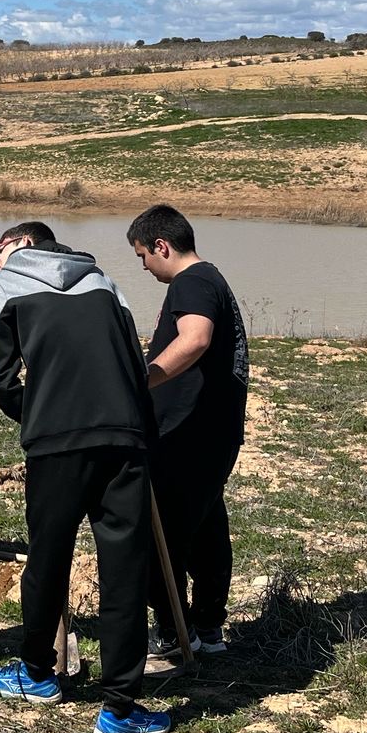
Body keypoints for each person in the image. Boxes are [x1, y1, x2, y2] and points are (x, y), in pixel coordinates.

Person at [0, 221, 170, 733]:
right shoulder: (102, 281)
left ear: (24, 245)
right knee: (124, 567)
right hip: (123, 436)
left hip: (55, 444)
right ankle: (120, 710)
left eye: (0, 249)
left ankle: (36, 674)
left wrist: (40, 412)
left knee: (48, 555)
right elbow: (134, 361)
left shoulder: (9, 282)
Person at [128, 203, 250, 658]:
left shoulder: (192, 281)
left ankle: (174, 633)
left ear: (161, 246)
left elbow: (195, 338)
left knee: (164, 537)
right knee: (206, 529)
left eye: (143, 255)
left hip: (187, 436)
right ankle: (208, 628)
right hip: (210, 435)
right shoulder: (211, 278)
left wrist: (143, 378)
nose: (144, 266)